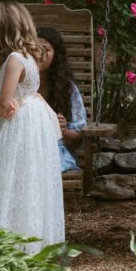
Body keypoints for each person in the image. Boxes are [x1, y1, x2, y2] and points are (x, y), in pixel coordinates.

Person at [0, 1, 64, 253]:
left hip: (18, 126)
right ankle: (31, 237)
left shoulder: (14, 59)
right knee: (28, 181)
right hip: (31, 124)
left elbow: (4, 102)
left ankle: (9, 239)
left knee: (10, 179)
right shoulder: (29, 58)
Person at [37, 26, 88, 173]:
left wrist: (63, 131)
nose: (40, 54)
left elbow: (77, 139)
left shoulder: (67, 88)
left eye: (46, 49)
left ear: (56, 55)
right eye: (35, 48)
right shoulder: (21, 85)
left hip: (55, 153)